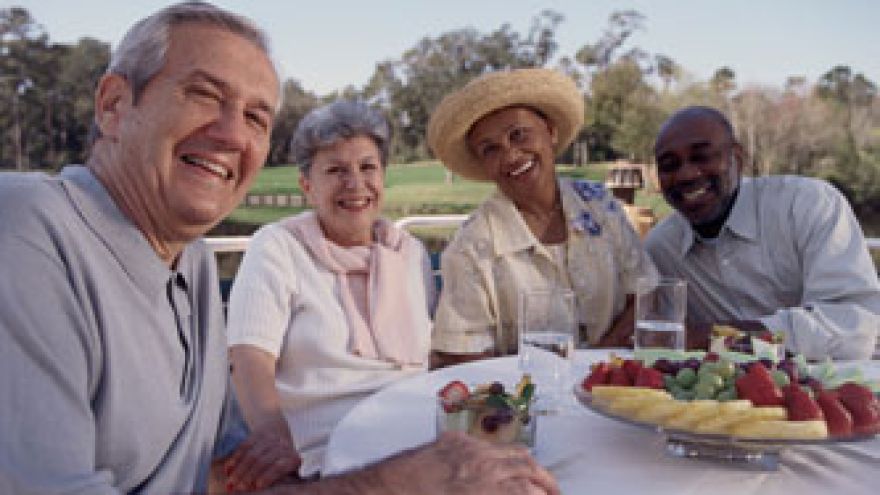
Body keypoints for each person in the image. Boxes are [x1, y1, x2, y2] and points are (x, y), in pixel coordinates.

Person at [0, 3, 559, 495]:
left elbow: (220, 470)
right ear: (114, 105)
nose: (232, 134)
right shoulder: (27, 229)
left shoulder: (189, 260)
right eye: (203, 95)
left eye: (255, 117)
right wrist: (390, 484)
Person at [224, 100, 435, 485]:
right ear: (308, 186)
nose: (355, 184)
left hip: (416, 442)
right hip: (323, 456)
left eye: (367, 167)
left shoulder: (409, 252)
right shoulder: (277, 247)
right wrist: (272, 437)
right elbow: (249, 356)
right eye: (336, 170)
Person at [427, 68, 657, 366]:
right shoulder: (470, 248)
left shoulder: (600, 204)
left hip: (614, 388)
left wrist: (597, 367)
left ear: (550, 131)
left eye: (518, 134)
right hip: (528, 401)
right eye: (490, 149)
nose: (511, 155)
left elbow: (645, 293)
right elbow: (459, 357)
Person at [646, 105, 880, 360]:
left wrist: (716, 336)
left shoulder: (806, 205)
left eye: (702, 157)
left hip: (842, 387)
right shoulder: (661, 249)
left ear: (738, 158)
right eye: (669, 165)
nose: (686, 174)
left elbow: (854, 327)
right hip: (726, 396)